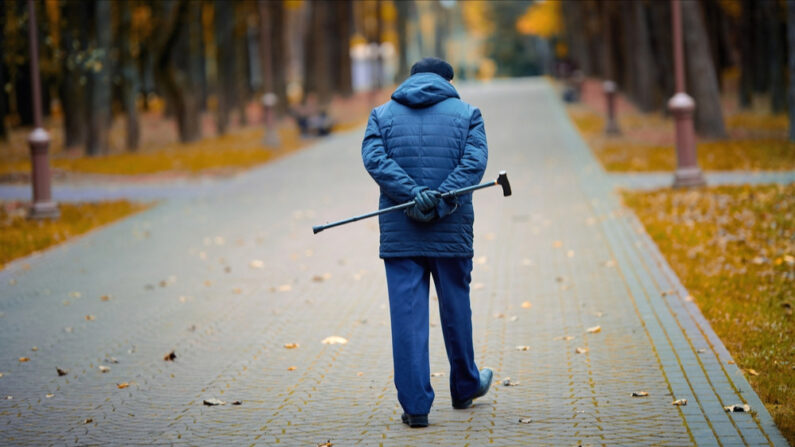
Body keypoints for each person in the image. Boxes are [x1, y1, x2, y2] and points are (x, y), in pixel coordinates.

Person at [361, 57, 493, 428]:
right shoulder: (468, 114)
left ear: (411, 79)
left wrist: (413, 194)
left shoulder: (381, 115)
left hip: (401, 231)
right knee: (456, 310)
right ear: (447, 81)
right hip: (450, 230)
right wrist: (441, 198)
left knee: (407, 318)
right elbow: (474, 163)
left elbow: (374, 158)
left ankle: (416, 407)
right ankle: (465, 386)